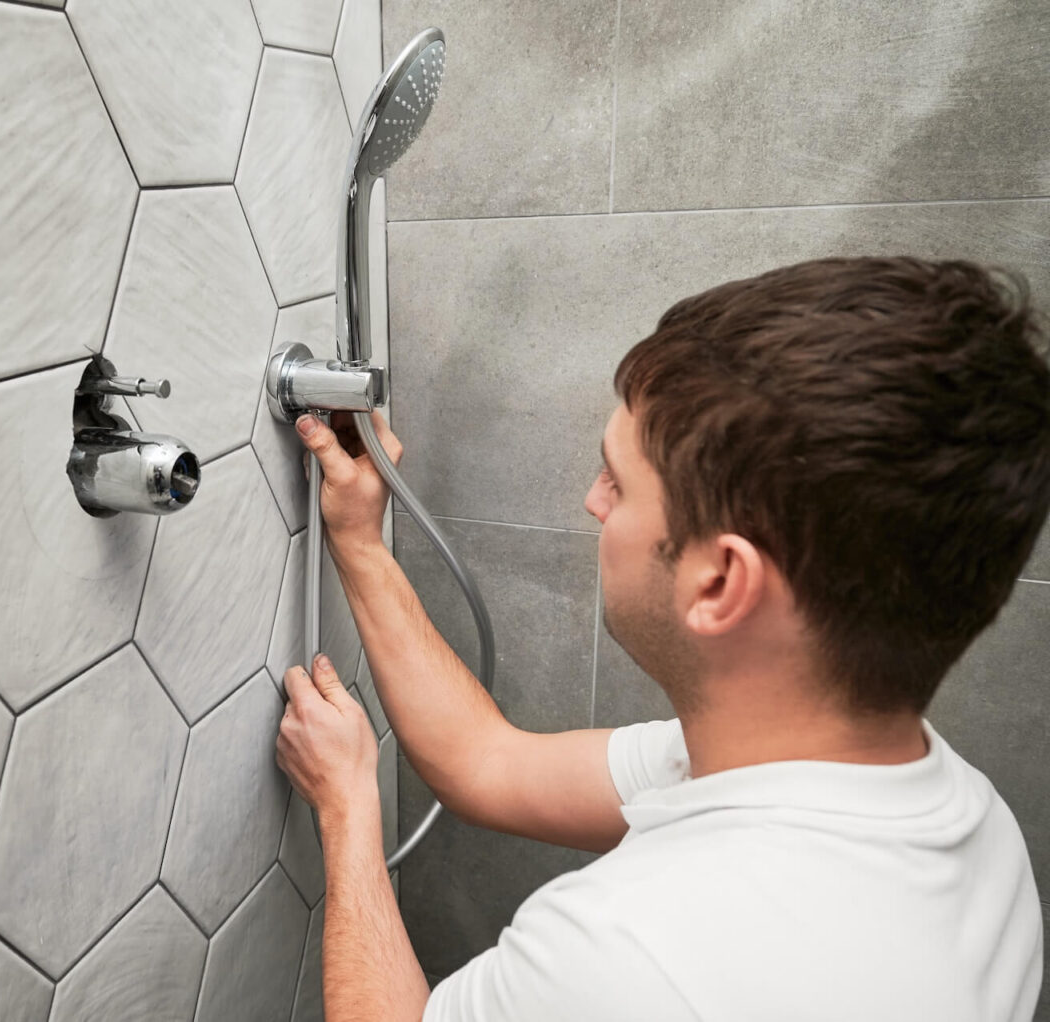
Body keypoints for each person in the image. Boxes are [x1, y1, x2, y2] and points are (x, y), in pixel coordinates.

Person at [275, 256, 1050, 1021]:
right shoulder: (967, 824)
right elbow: (488, 765)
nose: (591, 501)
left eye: (618, 479)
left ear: (718, 582)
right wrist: (361, 543)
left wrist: (347, 810)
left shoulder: (629, 955)